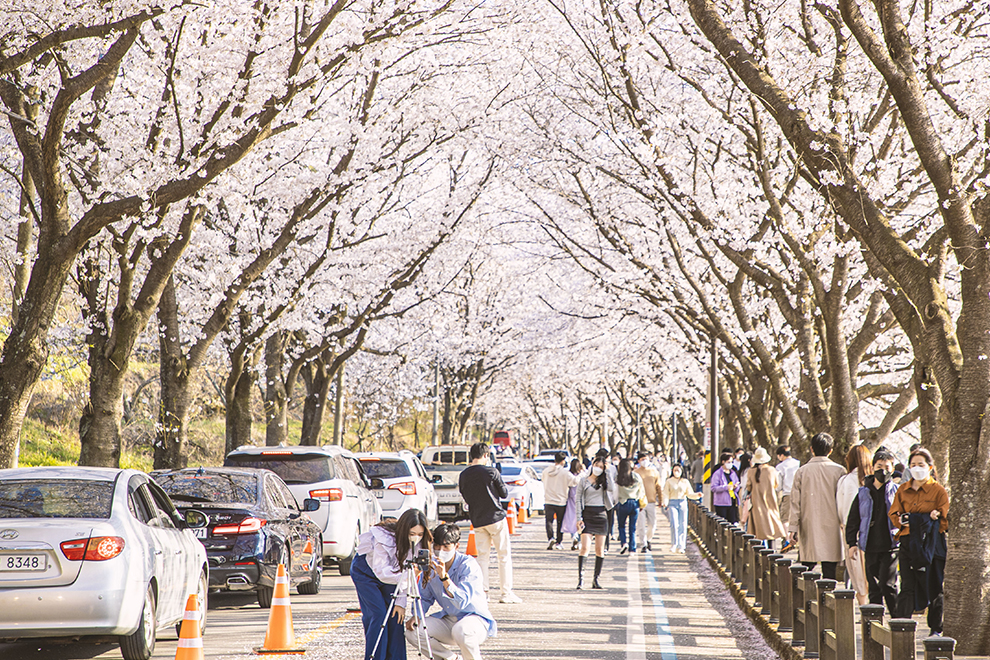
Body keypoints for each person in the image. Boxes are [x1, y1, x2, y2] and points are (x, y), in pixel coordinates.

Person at [405, 523, 496, 660]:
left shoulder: (468, 565)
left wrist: (444, 577)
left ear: (456, 546)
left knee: (462, 630)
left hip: (475, 620)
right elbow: (424, 597)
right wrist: (417, 614)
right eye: (437, 546)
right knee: (413, 631)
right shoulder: (431, 565)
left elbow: (462, 602)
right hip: (450, 619)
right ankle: (450, 658)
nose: (440, 551)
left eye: (446, 547)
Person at [351, 509, 433, 660]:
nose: (416, 538)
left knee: (396, 616)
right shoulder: (384, 538)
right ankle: (376, 657)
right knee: (379, 614)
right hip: (367, 573)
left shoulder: (420, 545)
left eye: (420, 534)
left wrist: (401, 603)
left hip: (395, 575)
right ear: (403, 530)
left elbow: (407, 571)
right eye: (412, 533)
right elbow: (382, 572)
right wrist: (407, 576)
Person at [888, 447, 949, 636]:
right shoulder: (903, 490)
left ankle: (935, 629)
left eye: (921, 464)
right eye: (913, 465)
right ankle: (902, 627)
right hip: (908, 542)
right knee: (907, 585)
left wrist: (935, 516)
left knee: (935, 585)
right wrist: (909, 520)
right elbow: (894, 514)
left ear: (930, 467)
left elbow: (945, 519)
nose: (917, 468)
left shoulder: (938, 490)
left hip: (933, 544)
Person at [458, 442, 522, 604]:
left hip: (477, 520)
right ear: (486, 455)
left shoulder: (463, 475)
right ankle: (506, 593)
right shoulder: (491, 472)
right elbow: (504, 492)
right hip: (496, 518)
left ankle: (483, 592)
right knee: (504, 556)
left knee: (482, 557)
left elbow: (465, 496)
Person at [845, 446, 899, 615]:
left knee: (888, 584)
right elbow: (853, 519)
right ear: (873, 467)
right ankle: (874, 624)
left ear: (893, 469)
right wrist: (851, 543)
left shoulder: (897, 492)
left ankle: (898, 622)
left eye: (887, 467)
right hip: (869, 545)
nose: (883, 471)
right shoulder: (863, 492)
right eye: (879, 467)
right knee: (874, 586)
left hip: (891, 544)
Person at [787, 432, 845, 580]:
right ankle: (829, 599)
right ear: (830, 450)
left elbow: (795, 502)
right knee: (829, 568)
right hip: (833, 524)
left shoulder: (802, 471)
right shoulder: (839, 471)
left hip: (809, 524)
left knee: (807, 567)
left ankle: (808, 600)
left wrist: (793, 528)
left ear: (811, 449)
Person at [834, 444, 872, 605]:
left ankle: (865, 609)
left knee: (858, 575)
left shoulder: (846, 480)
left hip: (852, 532)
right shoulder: (873, 480)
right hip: (871, 531)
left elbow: (842, 509)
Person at [576, 455, 614, 589]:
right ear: (592, 465)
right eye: (596, 465)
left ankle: (595, 579)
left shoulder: (604, 482)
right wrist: (578, 518)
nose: (598, 468)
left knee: (599, 550)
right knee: (585, 547)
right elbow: (578, 499)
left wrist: (607, 471)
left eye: (601, 467)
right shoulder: (583, 481)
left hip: (601, 515)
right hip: (587, 515)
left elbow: (612, 489)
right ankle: (581, 579)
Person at [745, 447, 787, 550]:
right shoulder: (771, 470)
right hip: (770, 502)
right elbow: (776, 484)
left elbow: (749, 486)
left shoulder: (751, 471)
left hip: (757, 504)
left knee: (758, 531)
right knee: (771, 529)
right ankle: (772, 553)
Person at [542, 452, 581, 550]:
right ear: (563, 461)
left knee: (549, 521)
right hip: (561, 501)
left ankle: (550, 538)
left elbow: (542, 480)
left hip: (548, 499)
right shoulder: (565, 473)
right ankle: (558, 542)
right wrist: (582, 474)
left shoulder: (546, 471)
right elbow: (574, 482)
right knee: (560, 522)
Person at [661, 461, 701, 553]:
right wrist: (665, 503)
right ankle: (674, 544)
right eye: (675, 470)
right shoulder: (669, 481)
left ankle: (681, 546)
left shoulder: (685, 481)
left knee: (683, 524)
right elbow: (666, 493)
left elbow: (689, 493)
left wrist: (697, 495)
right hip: (672, 503)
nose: (676, 472)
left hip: (682, 502)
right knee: (674, 524)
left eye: (678, 470)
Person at [615, 458, 645, 554]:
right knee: (632, 528)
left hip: (623, 503)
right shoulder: (636, 476)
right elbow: (641, 490)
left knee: (621, 526)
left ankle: (624, 543)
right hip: (634, 503)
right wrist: (641, 503)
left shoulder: (618, 477)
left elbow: (615, 491)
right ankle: (632, 549)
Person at [634, 452, 663, 552]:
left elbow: (658, 486)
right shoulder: (636, 473)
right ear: (638, 461)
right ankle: (643, 544)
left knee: (652, 524)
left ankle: (648, 539)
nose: (644, 461)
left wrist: (661, 499)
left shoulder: (654, 472)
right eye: (642, 459)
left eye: (646, 459)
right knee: (641, 525)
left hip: (651, 501)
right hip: (640, 502)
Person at [775, 445, 801, 529]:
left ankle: (787, 540)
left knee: (785, 519)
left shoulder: (780, 467)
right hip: (801, 493)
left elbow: (778, 486)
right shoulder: (798, 463)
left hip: (787, 494)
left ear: (781, 455)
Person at [710, 452, 740, 523]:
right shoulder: (717, 474)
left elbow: (737, 484)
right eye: (728, 462)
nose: (730, 464)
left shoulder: (733, 473)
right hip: (721, 503)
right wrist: (726, 487)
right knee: (722, 524)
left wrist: (736, 487)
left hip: (732, 501)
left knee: (732, 523)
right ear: (723, 462)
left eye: (732, 462)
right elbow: (714, 488)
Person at [562, 458, 584, 550]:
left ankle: (574, 536)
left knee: (572, 519)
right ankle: (579, 540)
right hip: (581, 499)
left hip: (571, 499)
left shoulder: (569, 475)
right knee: (580, 519)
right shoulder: (583, 475)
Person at [736, 451, 753, 529]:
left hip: (742, 492)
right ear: (749, 460)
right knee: (748, 512)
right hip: (747, 493)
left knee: (744, 511)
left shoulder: (742, 471)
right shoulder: (750, 471)